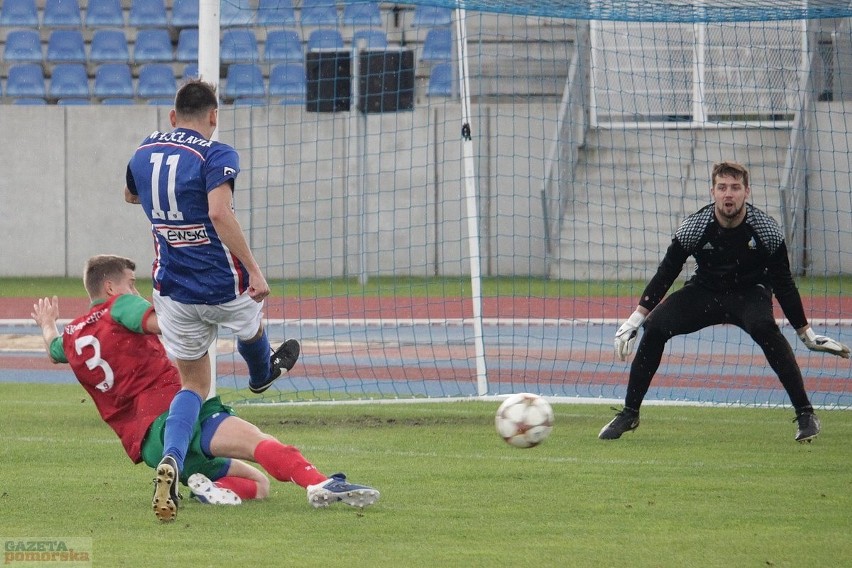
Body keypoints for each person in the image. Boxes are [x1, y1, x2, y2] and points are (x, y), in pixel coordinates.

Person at [31, 255, 380, 522]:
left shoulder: (74, 334)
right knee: (258, 442)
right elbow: (164, 323)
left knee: (258, 486)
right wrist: (199, 307)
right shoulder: (120, 305)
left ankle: (206, 489)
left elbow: (52, 350)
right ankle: (319, 482)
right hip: (179, 411)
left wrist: (48, 324)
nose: (136, 290)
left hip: (147, 443)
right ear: (111, 288)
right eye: (131, 283)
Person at [123, 79, 302, 521]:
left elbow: (130, 194)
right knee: (252, 323)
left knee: (193, 387)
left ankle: (173, 461)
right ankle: (262, 373)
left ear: (171, 115)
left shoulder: (144, 150)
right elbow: (220, 212)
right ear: (213, 117)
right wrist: (255, 268)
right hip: (220, 282)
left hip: (174, 289)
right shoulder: (216, 152)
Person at [601, 161, 850, 443]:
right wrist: (636, 319)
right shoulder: (695, 226)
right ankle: (630, 412)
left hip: (749, 293)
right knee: (655, 325)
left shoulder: (767, 229)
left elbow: (784, 283)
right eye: (722, 188)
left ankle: (806, 414)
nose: (728, 194)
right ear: (713, 192)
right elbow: (666, 272)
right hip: (705, 291)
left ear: (747, 192)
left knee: (765, 328)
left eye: (735, 187)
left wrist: (807, 334)